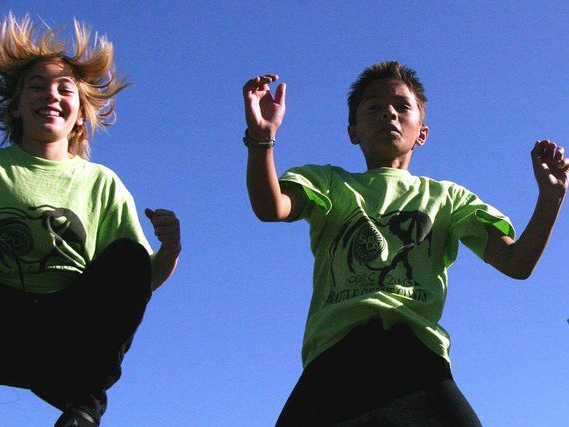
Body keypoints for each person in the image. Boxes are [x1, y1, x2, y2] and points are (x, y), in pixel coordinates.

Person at [0, 13, 181, 427]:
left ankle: (83, 405)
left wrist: (169, 251)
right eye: (37, 87)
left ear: (80, 113)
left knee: (130, 254)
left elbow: (141, 280)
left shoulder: (101, 182)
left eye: (65, 89)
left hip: (65, 340)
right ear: (17, 105)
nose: (51, 96)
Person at [242, 62, 567, 426]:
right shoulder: (329, 183)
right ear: (353, 131)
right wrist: (261, 141)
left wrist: (550, 199)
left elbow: (516, 263)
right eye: (374, 107)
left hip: (418, 361)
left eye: (401, 106)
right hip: (335, 360)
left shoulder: (448, 198)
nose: (389, 113)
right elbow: (271, 207)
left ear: (422, 133)